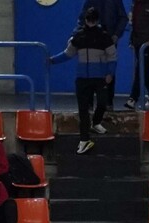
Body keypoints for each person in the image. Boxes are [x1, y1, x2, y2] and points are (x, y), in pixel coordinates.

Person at [49, 8, 117, 154]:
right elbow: (68, 54)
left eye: (93, 19)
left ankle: (96, 122)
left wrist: (110, 73)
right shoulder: (78, 36)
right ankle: (84, 140)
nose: (91, 22)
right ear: (86, 20)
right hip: (82, 79)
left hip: (100, 77)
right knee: (83, 110)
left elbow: (112, 56)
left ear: (97, 20)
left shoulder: (104, 36)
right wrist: (52, 60)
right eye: (89, 19)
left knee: (102, 103)